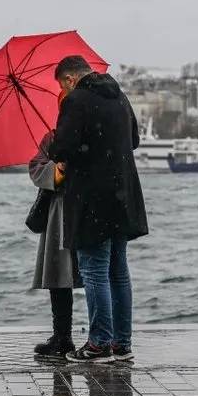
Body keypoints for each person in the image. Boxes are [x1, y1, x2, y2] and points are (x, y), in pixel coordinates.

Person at [48, 55, 148, 363]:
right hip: (123, 195)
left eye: (62, 86)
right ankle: (122, 343)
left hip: (92, 198)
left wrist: (59, 146)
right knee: (119, 271)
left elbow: (63, 150)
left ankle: (99, 344)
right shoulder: (120, 95)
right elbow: (134, 139)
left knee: (94, 272)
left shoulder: (76, 100)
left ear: (69, 79)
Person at [29, 127, 83, 359]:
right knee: (58, 274)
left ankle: (96, 338)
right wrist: (55, 169)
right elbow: (36, 165)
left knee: (93, 275)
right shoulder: (52, 137)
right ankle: (62, 336)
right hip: (59, 210)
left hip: (80, 207)